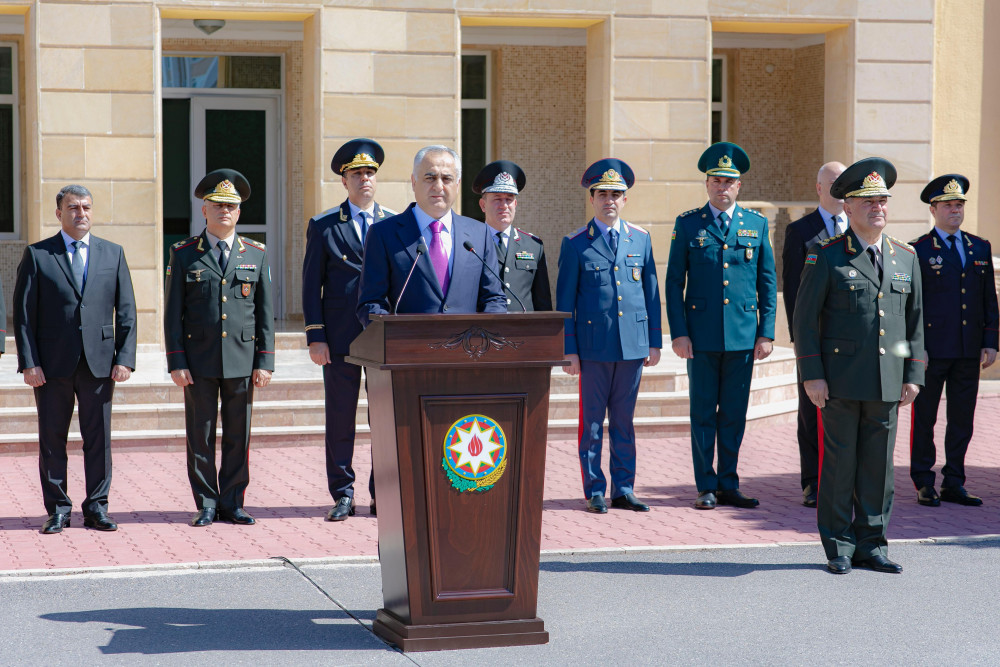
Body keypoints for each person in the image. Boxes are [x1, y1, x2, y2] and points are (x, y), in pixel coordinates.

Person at [793, 157, 924, 575]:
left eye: (882, 200)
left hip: (887, 382)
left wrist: (913, 373)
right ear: (847, 207)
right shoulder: (826, 256)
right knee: (838, 466)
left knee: (878, 469)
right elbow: (805, 320)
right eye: (868, 201)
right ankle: (839, 546)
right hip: (840, 382)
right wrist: (812, 374)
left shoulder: (906, 257)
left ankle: (872, 543)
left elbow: (915, 323)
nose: (877, 207)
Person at [12, 185, 137, 534]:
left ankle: (97, 507)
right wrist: (29, 362)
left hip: (99, 363)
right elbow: (23, 315)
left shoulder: (112, 254)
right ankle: (58, 509)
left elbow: (126, 311)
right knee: (52, 439)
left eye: (85, 207)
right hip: (51, 366)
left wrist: (124, 358)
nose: (80, 213)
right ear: (59, 214)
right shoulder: (38, 255)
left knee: (99, 439)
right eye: (72, 208)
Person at [665, 142, 777, 510]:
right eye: (716, 180)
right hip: (700, 338)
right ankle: (706, 486)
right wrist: (679, 333)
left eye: (729, 181)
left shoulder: (756, 226)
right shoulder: (688, 224)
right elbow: (673, 282)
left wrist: (767, 332)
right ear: (707, 184)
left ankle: (729, 482)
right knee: (702, 414)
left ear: (739, 186)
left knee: (733, 414)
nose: (722, 187)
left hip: (744, 337)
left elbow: (767, 282)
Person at [164, 169, 275, 528]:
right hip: (198, 361)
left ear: (239, 213)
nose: (224, 211)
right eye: (217, 205)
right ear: (204, 211)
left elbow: (265, 313)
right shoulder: (183, 254)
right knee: (201, 434)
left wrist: (265, 361)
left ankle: (233, 501)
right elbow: (172, 314)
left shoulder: (255, 253)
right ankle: (207, 502)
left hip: (242, 361)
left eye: (231, 206)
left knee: (238, 435)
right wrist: (176, 360)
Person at [555, 158, 661, 514]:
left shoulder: (641, 239)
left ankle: (624, 488)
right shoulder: (574, 244)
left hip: (631, 347)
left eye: (616, 194)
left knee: (624, 422)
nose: (609, 200)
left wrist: (654, 341)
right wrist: (569, 350)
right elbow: (565, 303)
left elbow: (651, 294)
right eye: (602, 194)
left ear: (625, 200)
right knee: (592, 425)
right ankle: (594, 489)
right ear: (592, 199)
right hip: (593, 349)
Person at [303, 139, 395, 522]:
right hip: (339, 337)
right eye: (356, 173)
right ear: (344, 180)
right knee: (340, 418)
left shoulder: (392, 225)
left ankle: (382, 494)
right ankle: (342, 493)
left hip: (381, 337)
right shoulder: (325, 226)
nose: (364, 179)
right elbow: (311, 285)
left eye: (370, 173)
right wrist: (315, 336)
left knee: (384, 420)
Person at [909, 174, 997, 507]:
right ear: (934, 210)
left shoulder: (979, 247)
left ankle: (954, 481)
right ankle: (924, 480)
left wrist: (990, 340)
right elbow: (912, 305)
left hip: (967, 348)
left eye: (959, 205)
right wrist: (917, 350)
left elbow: (989, 298)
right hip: (932, 351)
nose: (955, 211)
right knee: (925, 418)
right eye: (948, 206)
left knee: (962, 417)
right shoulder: (917, 249)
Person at [356, 145, 507, 325]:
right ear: (413, 182)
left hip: (469, 348)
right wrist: (390, 338)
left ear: (457, 184)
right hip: (408, 348)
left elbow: (494, 299)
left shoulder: (479, 233)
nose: (439, 186)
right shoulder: (383, 233)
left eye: (447, 178)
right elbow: (371, 304)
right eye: (430, 178)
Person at [782, 161, 847, 508]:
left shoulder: (859, 228)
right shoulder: (800, 231)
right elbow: (793, 290)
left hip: (853, 342)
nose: (838, 189)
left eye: (843, 183)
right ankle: (812, 481)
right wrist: (800, 339)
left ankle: (844, 480)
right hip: (816, 340)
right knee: (811, 412)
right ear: (819, 188)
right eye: (832, 183)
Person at [472, 160, 552, 312]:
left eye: (509, 199)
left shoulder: (534, 246)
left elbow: (542, 302)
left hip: (523, 332)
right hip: (482, 331)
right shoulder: (470, 244)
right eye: (497, 199)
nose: (504, 205)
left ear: (515, 204)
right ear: (483, 205)